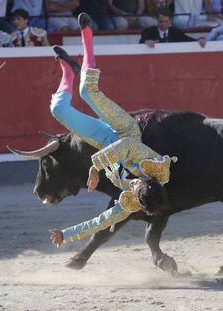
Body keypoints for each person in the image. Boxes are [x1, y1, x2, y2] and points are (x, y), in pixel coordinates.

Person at [49, 13, 175, 247]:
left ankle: (67, 71)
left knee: (58, 110)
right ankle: (87, 35)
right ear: (152, 183)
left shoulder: (133, 201)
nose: (134, 184)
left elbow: (102, 221)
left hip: (105, 141)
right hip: (125, 129)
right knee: (88, 91)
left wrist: (66, 235)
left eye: (135, 188)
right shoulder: (157, 168)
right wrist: (96, 167)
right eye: (139, 184)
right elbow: (127, 145)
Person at [139, 8, 207, 47]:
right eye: (161, 21)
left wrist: (200, 39)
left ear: (170, 22)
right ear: (157, 20)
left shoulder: (175, 32)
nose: (163, 24)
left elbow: (187, 39)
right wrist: (146, 41)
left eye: (166, 22)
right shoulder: (150, 31)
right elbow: (142, 40)